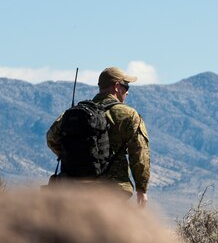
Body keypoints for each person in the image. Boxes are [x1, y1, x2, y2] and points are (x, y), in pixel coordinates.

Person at [47, 67, 150, 207]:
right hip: (112, 189)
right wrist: (141, 189)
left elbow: (51, 138)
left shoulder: (77, 112)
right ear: (116, 86)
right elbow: (139, 153)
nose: (127, 92)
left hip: (75, 188)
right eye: (126, 86)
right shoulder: (129, 115)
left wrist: (77, 155)